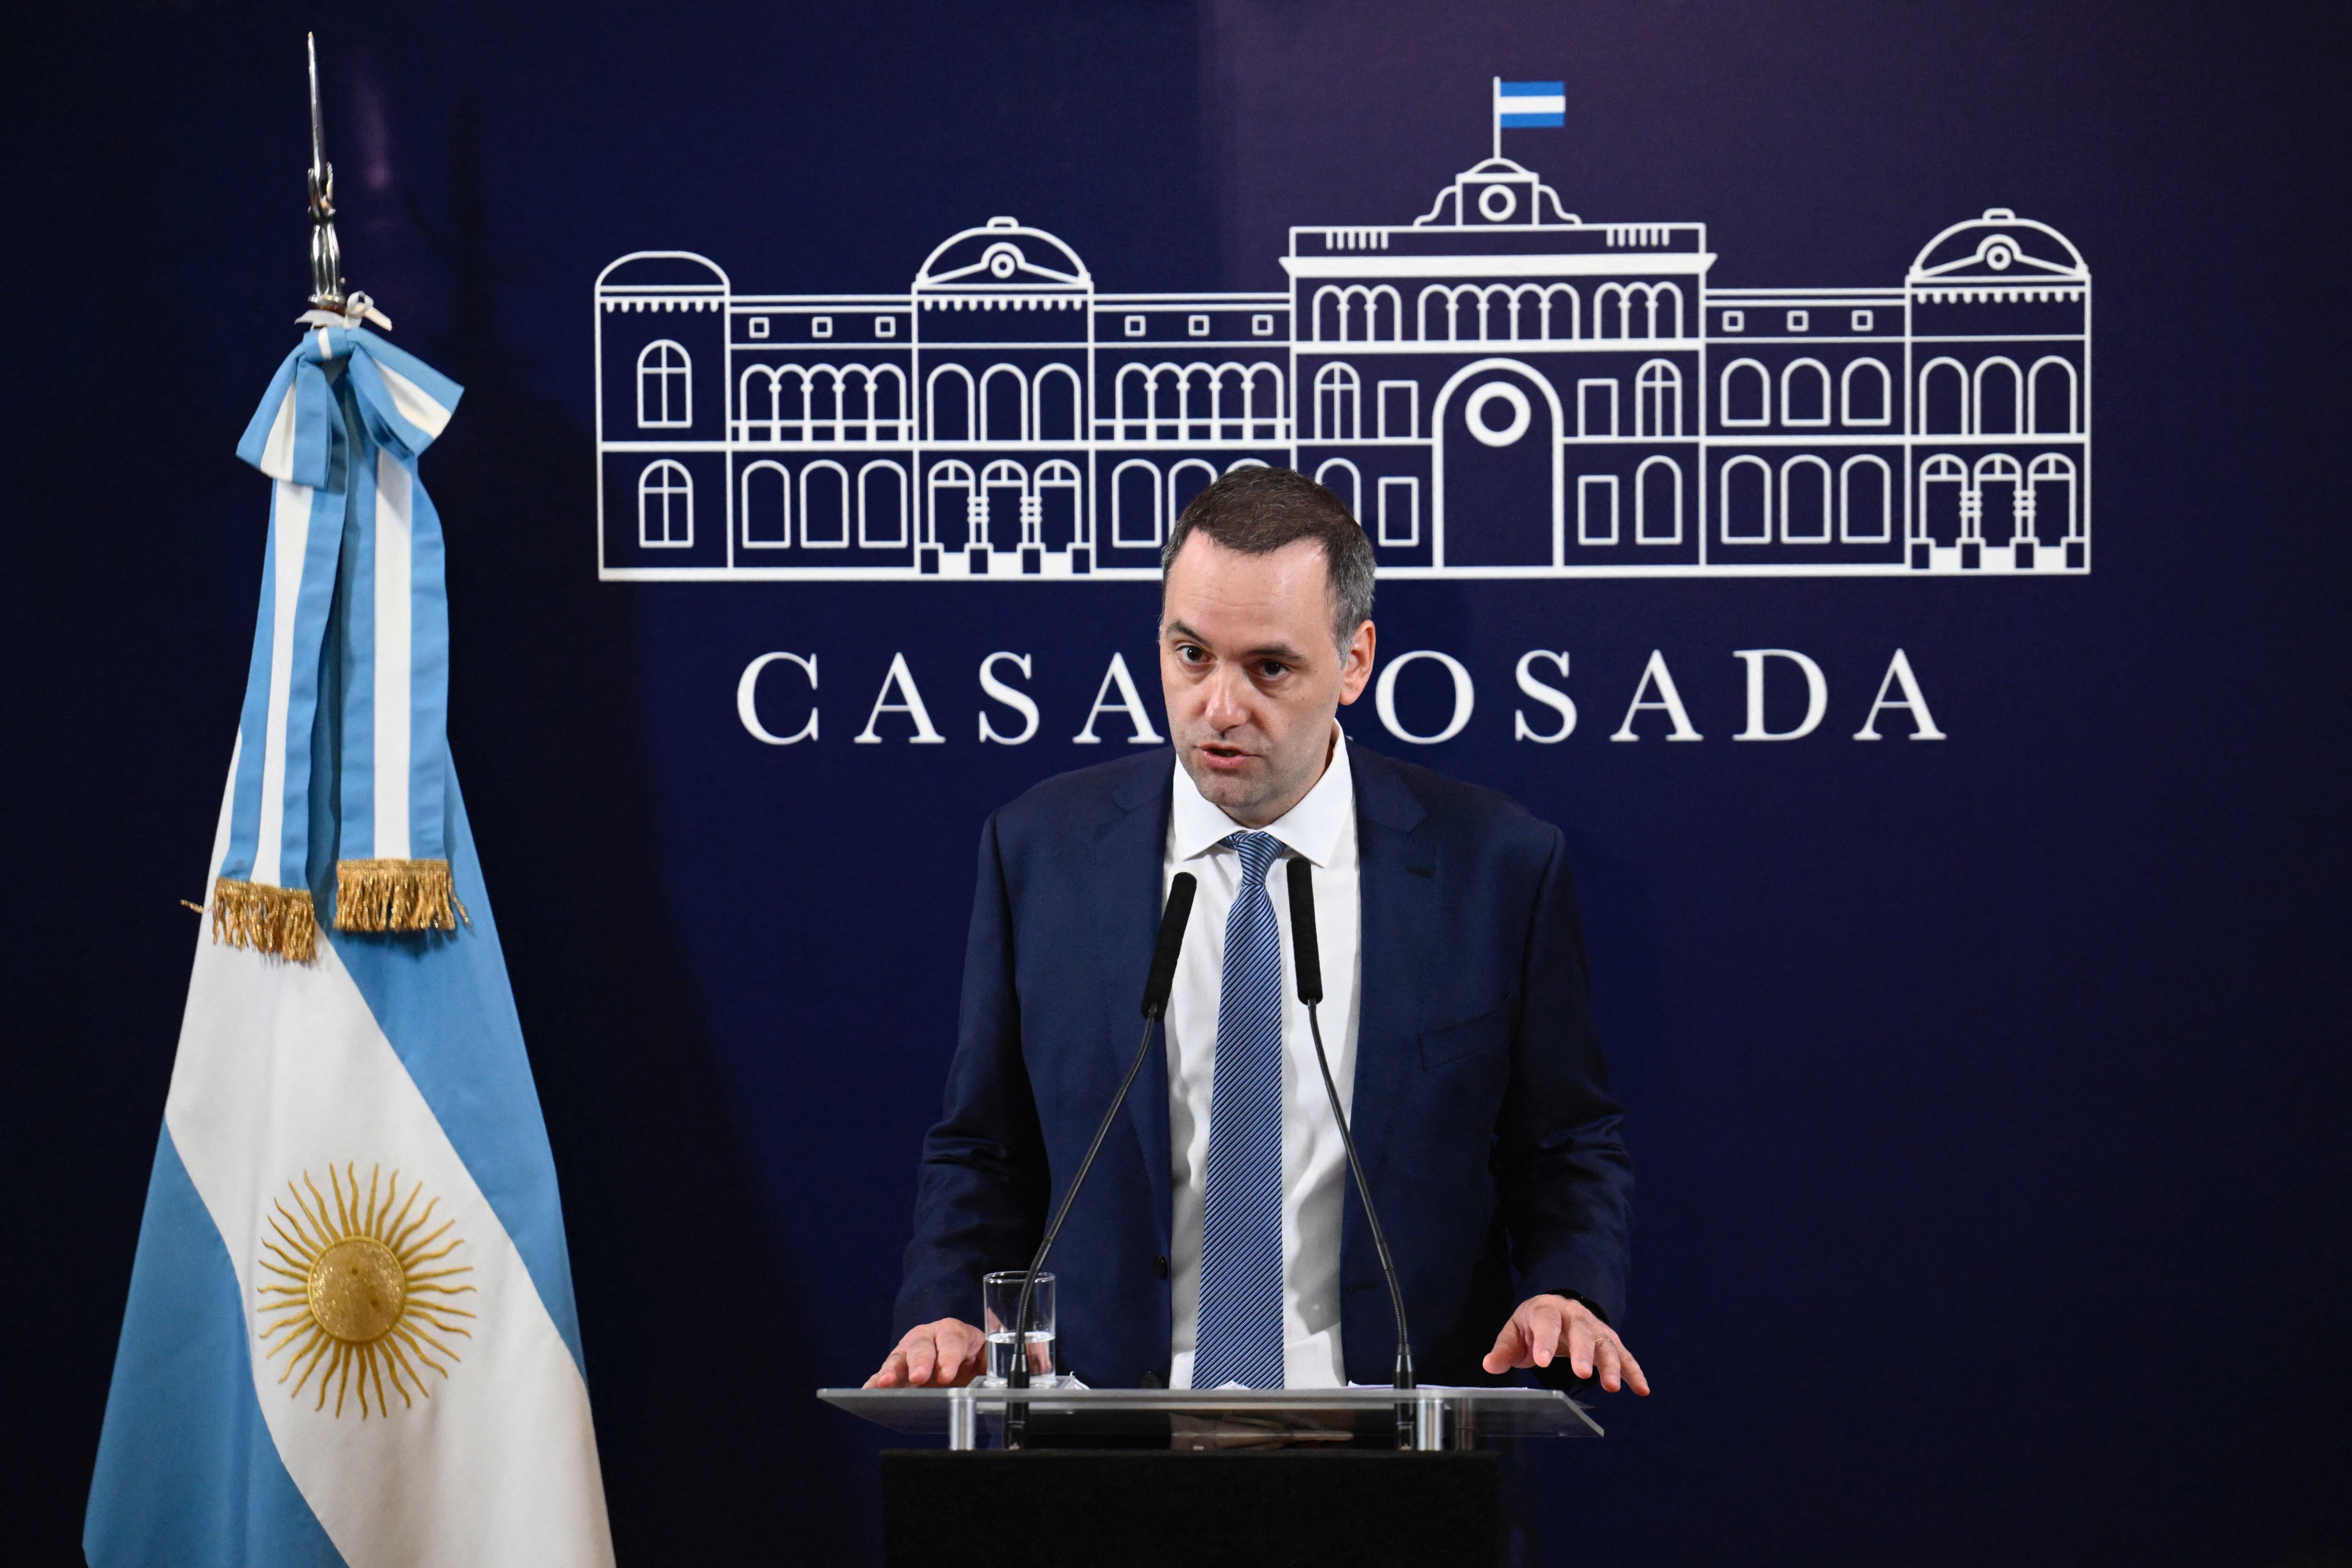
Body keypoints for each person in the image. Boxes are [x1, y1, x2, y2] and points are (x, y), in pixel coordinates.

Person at [869, 467, 1645, 1399]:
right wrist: (948, 1307)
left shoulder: (1495, 867)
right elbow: (982, 1145)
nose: (1219, 707)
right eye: (1190, 654)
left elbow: (1565, 1142)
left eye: (1268, 667)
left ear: (1354, 661)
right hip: (1108, 1439)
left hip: (1391, 1446)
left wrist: (1567, 1287)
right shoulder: (1041, 852)